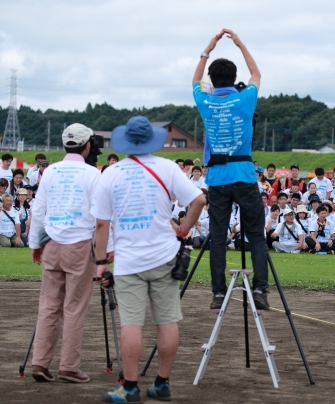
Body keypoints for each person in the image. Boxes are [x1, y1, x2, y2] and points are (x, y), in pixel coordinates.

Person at [92, 116, 205, 402]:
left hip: (130, 259)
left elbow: (102, 224)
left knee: (132, 323)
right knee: (167, 321)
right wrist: (183, 230)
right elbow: (199, 200)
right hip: (165, 254)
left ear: (126, 142)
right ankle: (162, 383)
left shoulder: (111, 173)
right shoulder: (167, 168)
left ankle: (130, 387)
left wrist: (101, 261)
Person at [192, 29, 270, 311]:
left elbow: (194, 81)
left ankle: (217, 292)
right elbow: (256, 73)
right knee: (257, 235)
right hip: (245, 174)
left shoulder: (206, 100)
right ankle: (261, 289)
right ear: (233, 77)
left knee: (216, 235)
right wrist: (239, 43)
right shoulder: (245, 98)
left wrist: (207, 50)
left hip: (217, 177)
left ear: (212, 80)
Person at [28, 123, 102, 384]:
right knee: (74, 307)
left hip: (51, 243)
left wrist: (35, 244)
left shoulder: (49, 172)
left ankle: (39, 362)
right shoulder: (93, 174)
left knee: (48, 305)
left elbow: (38, 211)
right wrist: (107, 252)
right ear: (87, 145)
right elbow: (101, 217)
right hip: (79, 245)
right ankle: (69, 366)